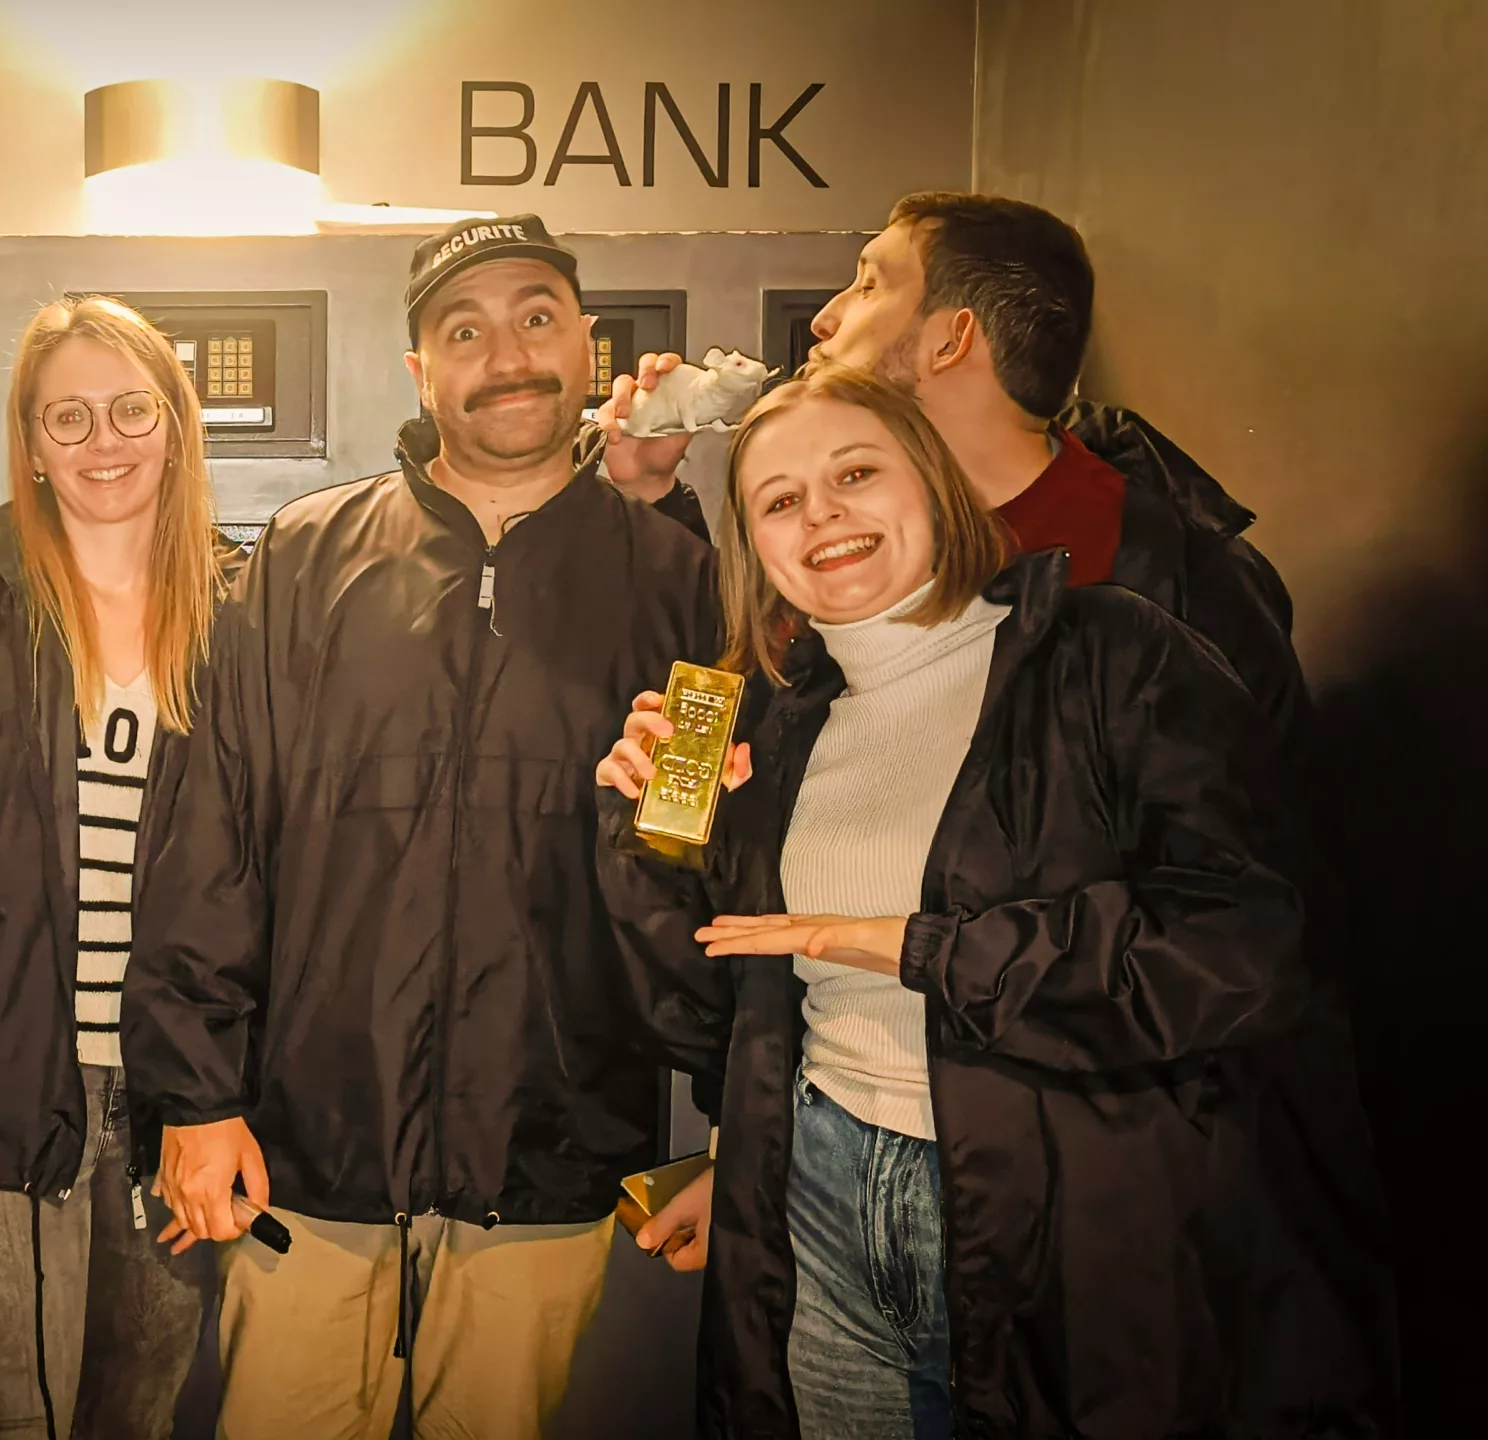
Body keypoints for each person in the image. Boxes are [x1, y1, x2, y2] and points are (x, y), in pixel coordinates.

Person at [596, 365, 1394, 1436]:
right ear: (755, 550)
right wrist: (643, 841)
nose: (820, 513)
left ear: (932, 483)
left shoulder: (1112, 654)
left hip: (1066, 1225)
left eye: (855, 473)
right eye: (779, 500)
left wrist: (925, 949)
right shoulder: (780, 727)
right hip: (818, 1199)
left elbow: (1249, 945)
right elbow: (701, 1010)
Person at [123, 214, 722, 1440]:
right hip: (306, 1158)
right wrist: (194, 1097)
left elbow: (715, 877)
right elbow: (209, 843)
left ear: (589, 347)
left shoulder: (677, 583)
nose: (506, 356)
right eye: (464, 331)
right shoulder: (303, 557)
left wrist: (737, 1134)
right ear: (418, 369)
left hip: (548, 1152)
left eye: (536, 319)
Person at [0, 295, 242, 1438]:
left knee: (135, 1419)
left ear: (175, 422)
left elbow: (260, 881)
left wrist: (222, 1095)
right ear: (29, 444)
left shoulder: (242, 610)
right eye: (68, 416)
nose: (102, 440)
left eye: (130, 409)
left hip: (174, 1105)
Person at [603, 191, 1310, 764]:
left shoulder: (1185, 588)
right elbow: (729, 693)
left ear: (951, 340)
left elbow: (1246, 868)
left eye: (869, 285)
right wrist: (652, 495)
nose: (823, 319)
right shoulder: (843, 546)